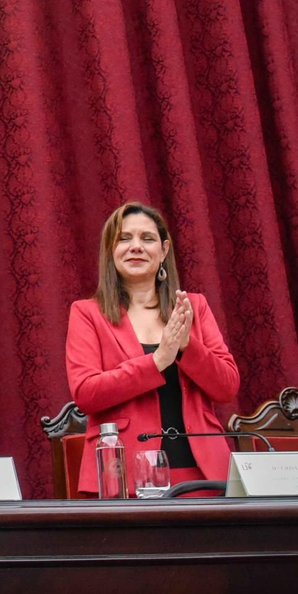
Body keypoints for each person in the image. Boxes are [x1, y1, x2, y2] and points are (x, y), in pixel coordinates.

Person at [65, 203, 240, 495]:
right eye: (124, 239)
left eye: (147, 239)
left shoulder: (193, 307)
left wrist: (185, 346)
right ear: (110, 250)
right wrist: (158, 360)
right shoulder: (87, 313)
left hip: (202, 474)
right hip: (123, 476)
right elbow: (86, 394)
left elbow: (227, 387)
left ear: (164, 250)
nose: (135, 247)